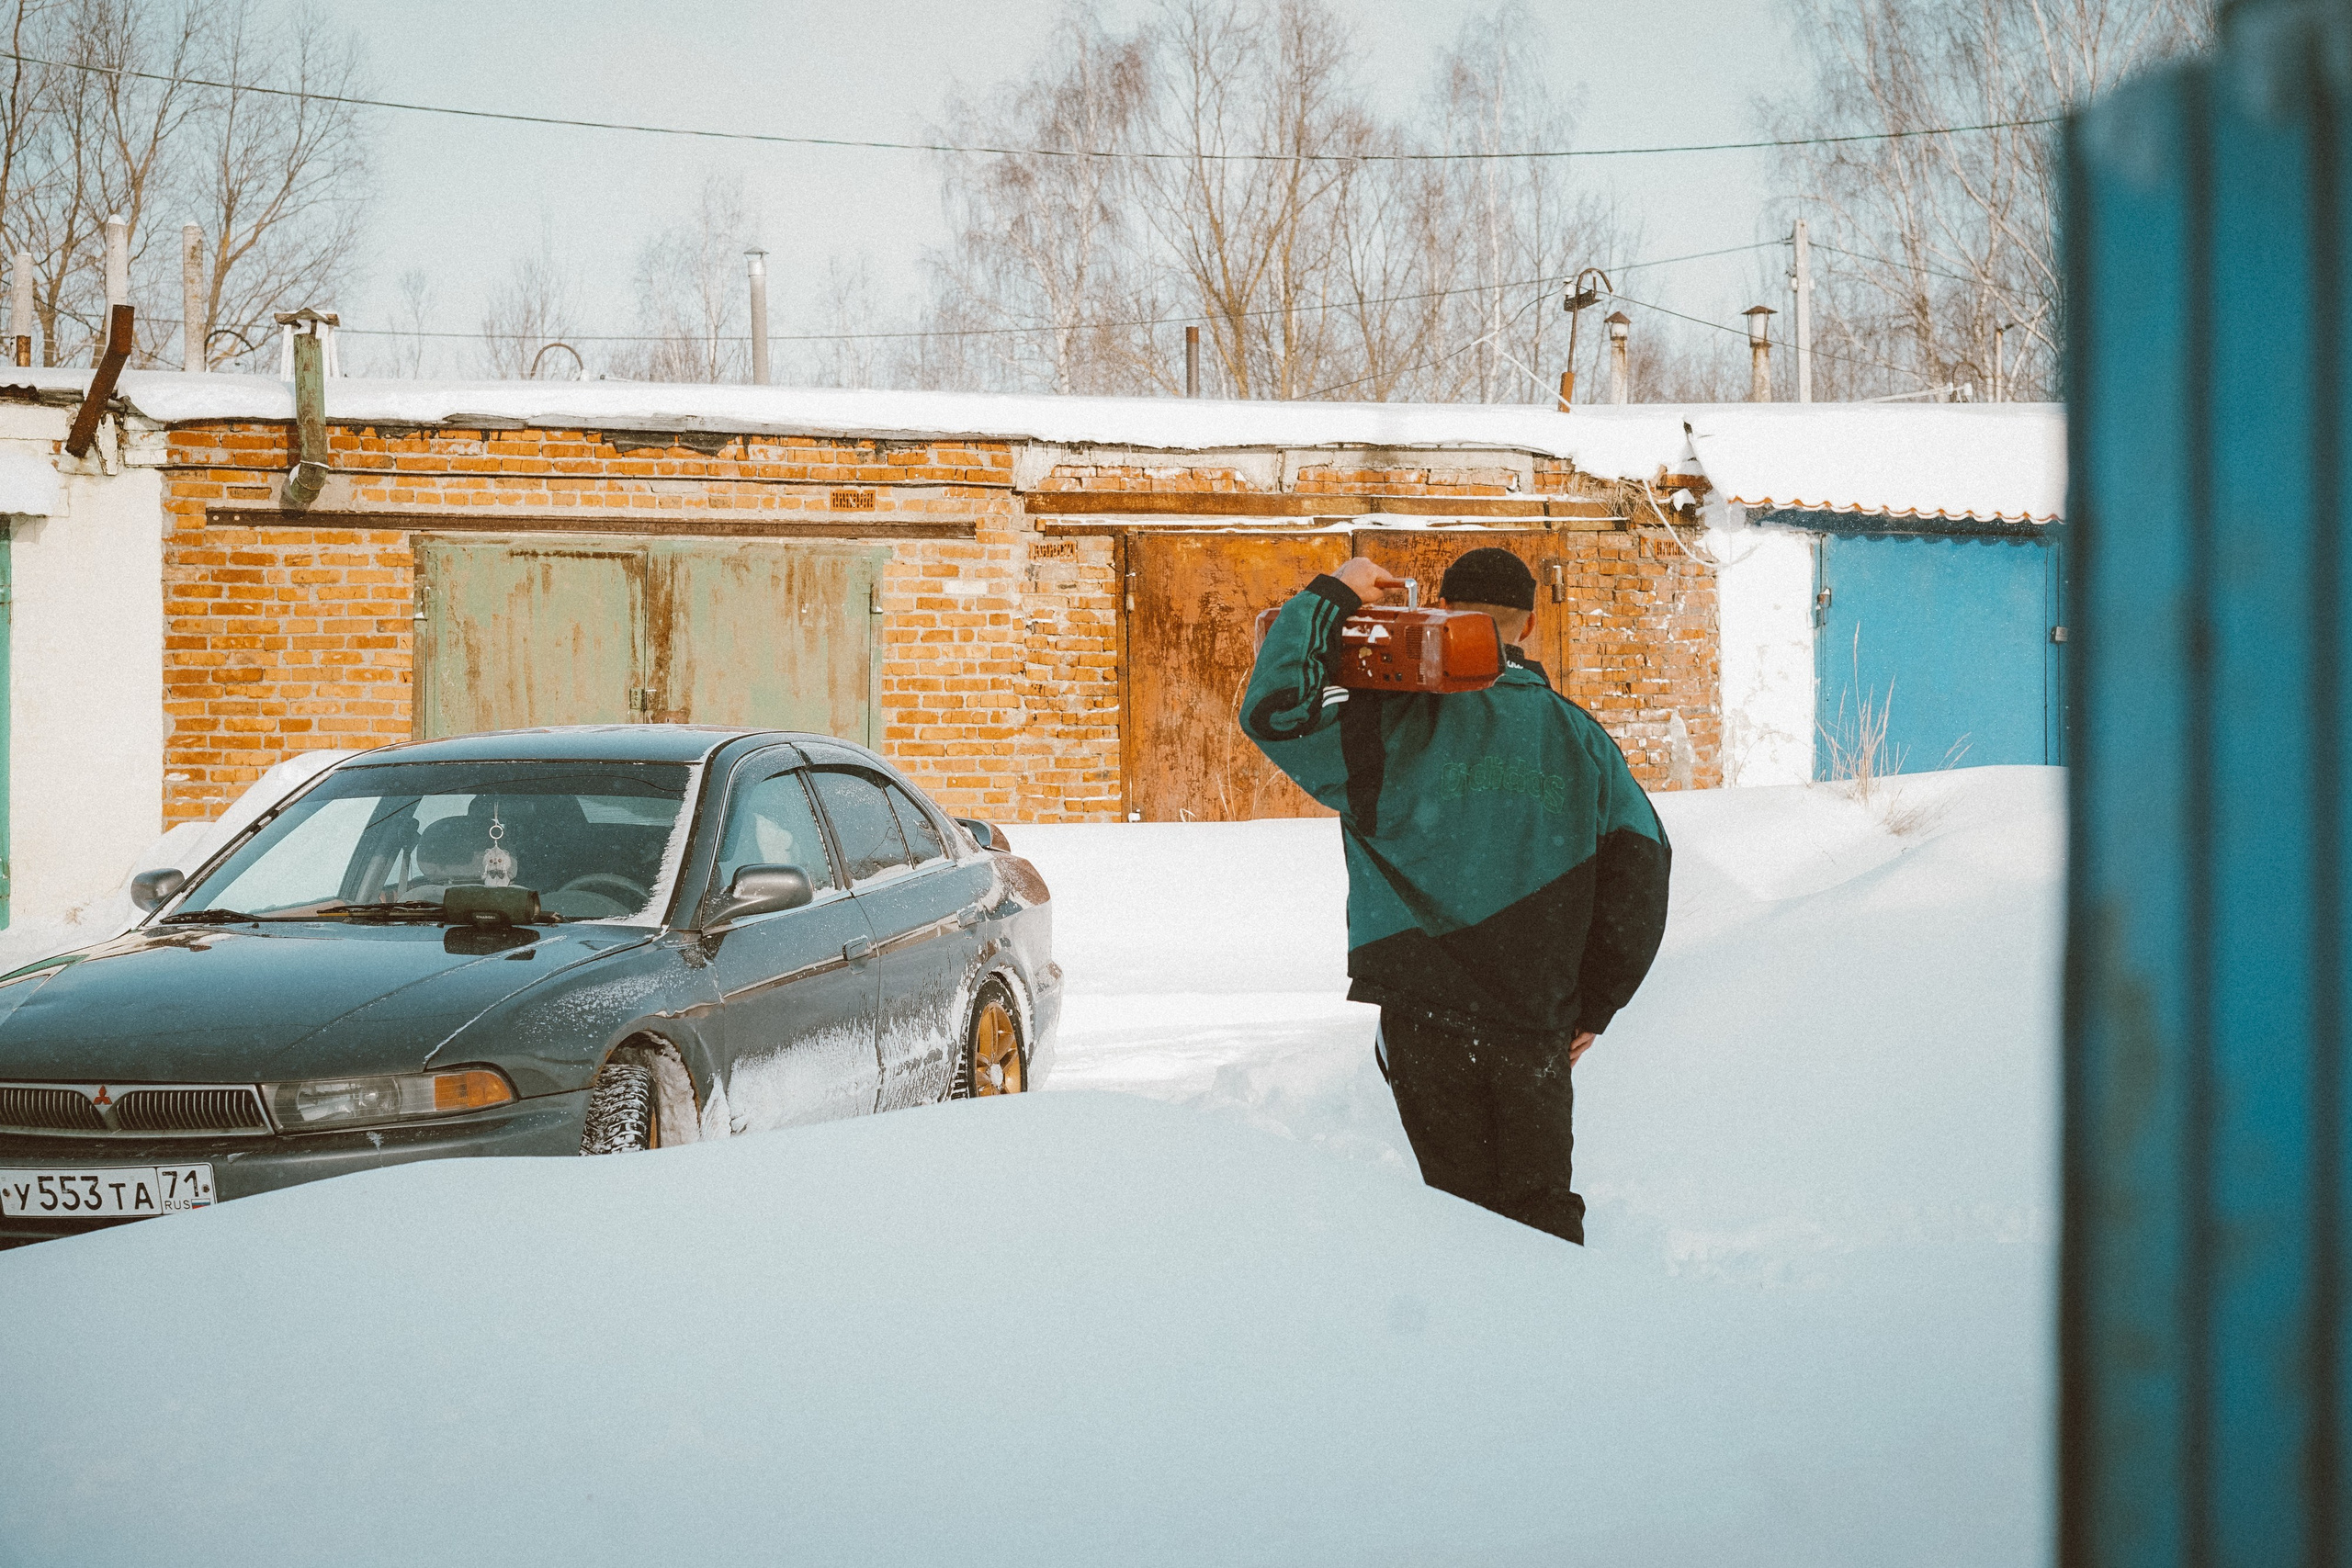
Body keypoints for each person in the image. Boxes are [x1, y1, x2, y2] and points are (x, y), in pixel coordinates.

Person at [1239, 547, 1671, 1245]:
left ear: (1439, 609)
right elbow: (1644, 872)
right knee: (1539, 1216)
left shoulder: (1391, 726)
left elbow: (1276, 712)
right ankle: (1561, 1342)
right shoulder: (1583, 742)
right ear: (1529, 624)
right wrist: (1595, 1002)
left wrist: (1331, 596)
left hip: (1425, 1018)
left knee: (1458, 1224)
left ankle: (1473, 1346)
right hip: (1537, 1025)